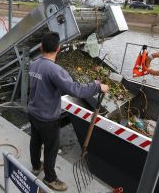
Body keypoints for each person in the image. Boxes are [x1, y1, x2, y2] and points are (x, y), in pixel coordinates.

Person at [28, 32, 109, 191]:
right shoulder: (55, 70)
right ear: (58, 49)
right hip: (47, 118)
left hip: (33, 113)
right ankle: (50, 178)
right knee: (51, 148)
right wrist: (97, 86)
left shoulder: (33, 64)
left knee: (35, 140)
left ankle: (36, 166)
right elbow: (75, 90)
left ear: (41, 47)